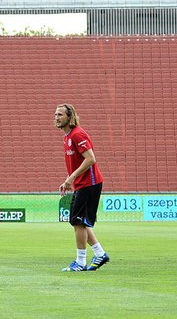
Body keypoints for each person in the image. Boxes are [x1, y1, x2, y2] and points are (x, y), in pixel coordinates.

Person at [55, 103, 110, 272]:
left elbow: (90, 158)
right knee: (80, 221)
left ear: (69, 117)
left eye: (60, 115)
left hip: (89, 183)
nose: (56, 118)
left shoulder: (78, 134)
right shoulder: (68, 137)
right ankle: (99, 253)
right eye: (55, 115)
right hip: (81, 184)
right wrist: (69, 180)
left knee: (77, 221)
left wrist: (71, 177)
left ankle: (80, 262)